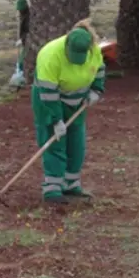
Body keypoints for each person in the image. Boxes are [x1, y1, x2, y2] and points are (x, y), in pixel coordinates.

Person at [31, 19, 106, 205]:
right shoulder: (50, 56)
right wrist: (56, 120)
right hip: (49, 101)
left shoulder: (94, 51)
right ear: (66, 45)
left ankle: (71, 184)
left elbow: (99, 70)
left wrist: (96, 90)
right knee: (55, 142)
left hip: (77, 102)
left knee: (76, 142)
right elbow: (48, 94)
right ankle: (52, 188)